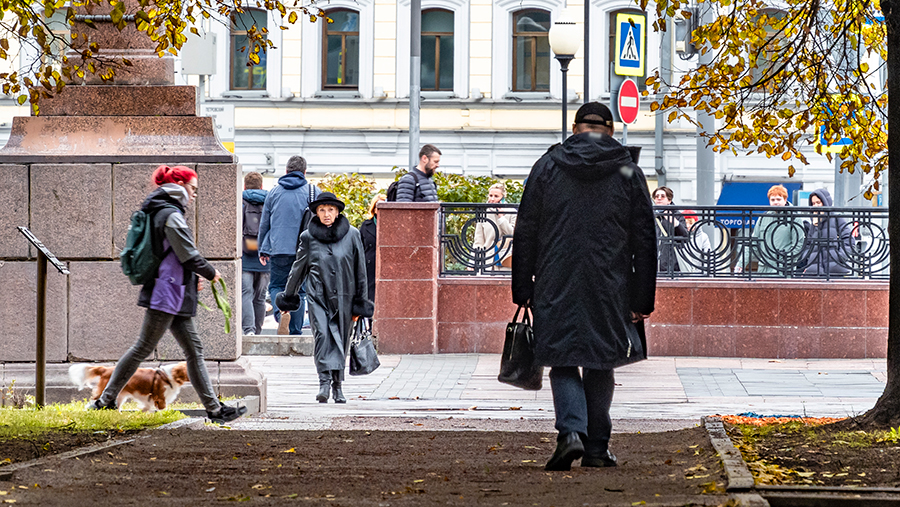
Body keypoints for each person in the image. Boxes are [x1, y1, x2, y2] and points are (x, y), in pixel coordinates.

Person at [511, 102, 657, 471]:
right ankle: (596, 448)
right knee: (600, 360)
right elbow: (645, 238)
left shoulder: (548, 166)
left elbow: (526, 230)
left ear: (575, 128)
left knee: (561, 357)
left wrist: (522, 288)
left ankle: (570, 433)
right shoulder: (627, 170)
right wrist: (642, 298)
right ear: (610, 130)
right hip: (610, 284)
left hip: (554, 280)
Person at [90, 165, 246, 424]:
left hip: (172, 291)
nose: (194, 194)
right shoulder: (170, 214)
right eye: (193, 188)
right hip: (168, 293)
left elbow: (172, 256)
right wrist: (209, 272)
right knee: (144, 347)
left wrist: (192, 278)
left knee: (193, 350)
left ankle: (215, 410)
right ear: (180, 186)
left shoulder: (160, 209)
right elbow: (186, 253)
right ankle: (104, 401)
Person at [274, 192, 373, 404]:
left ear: (337, 212)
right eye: (322, 210)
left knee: (341, 340)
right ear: (316, 213)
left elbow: (360, 271)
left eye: (330, 210)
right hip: (318, 297)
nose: (326, 214)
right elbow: (298, 269)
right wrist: (289, 297)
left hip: (345, 298)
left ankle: (338, 386)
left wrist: (360, 304)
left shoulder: (352, 235)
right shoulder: (308, 237)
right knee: (322, 337)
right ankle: (324, 384)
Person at [258, 155, 320, 335]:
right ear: (304, 172)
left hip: (278, 249)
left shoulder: (274, 192)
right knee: (299, 291)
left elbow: (264, 224)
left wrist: (263, 248)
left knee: (276, 286)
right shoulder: (313, 191)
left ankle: (281, 313)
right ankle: (295, 332)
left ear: (286, 171)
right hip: (304, 250)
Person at [735, 185, 805, 274]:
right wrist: (741, 264)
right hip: (764, 269)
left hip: (783, 271)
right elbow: (753, 244)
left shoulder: (795, 218)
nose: (776, 202)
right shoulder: (763, 218)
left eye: (778, 199)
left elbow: (798, 245)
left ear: (785, 200)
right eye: (773, 200)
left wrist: (786, 263)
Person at [797, 188, 852, 276]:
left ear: (825, 202)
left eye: (818, 202)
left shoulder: (837, 218)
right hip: (815, 270)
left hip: (834, 269)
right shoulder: (813, 222)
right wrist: (808, 258)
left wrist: (840, 257)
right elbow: (809, 244)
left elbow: (848, 239)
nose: (816, 206)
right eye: (813, 203)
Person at [241, 172, 270, 335]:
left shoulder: (240, 201)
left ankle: (248, 331)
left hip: (245, 255)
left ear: (245, 186)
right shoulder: (270, 201)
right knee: (260, 297)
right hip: (265, 256)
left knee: (246, 294)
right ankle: (257, 333)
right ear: (261, 186)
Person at [473, 182, 516, 271]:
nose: (492, 199)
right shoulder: (484, 213)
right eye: (490, 195)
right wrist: (473, 262)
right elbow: (478, 241)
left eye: (496, 196)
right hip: (487, 261)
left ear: (503, 198)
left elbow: (513, 234)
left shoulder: (512, 212)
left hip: (506, 260)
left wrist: (501, 217)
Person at [359, 194, 385, 305]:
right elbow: (360, 247)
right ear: (374, 209)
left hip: (386, 267)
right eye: (378, 207)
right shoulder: (366, 226)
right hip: (369, 267)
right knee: (371, 298)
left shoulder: (392, 226)